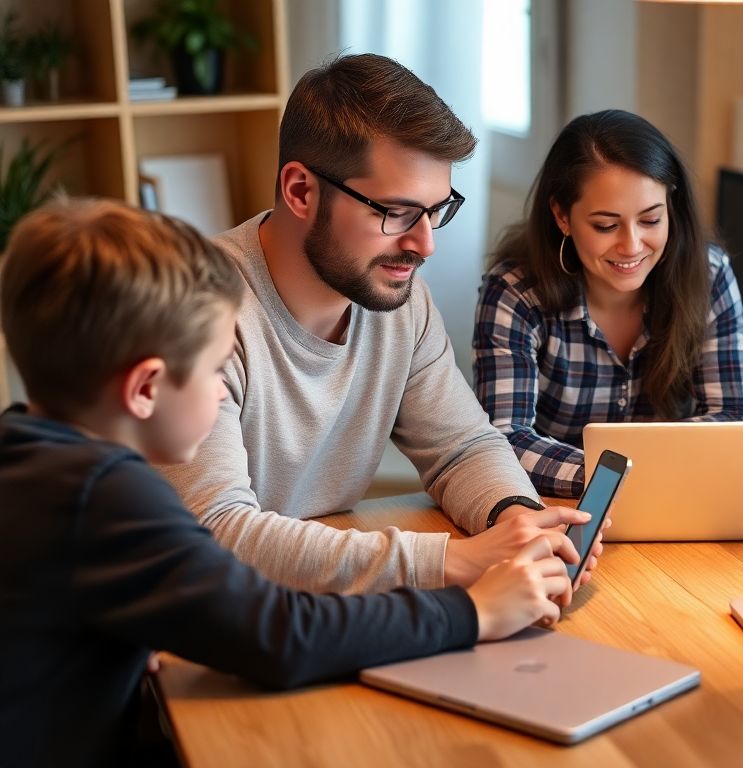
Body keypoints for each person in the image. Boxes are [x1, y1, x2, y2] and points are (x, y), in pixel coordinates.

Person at [0, 199, 575, 767]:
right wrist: (473, 611)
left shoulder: (30, 456)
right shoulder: (108, 496)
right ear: (146, 388)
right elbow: (281, 634)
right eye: (214, 370)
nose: (224, 392)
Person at [159, 53, 598, 594]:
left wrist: (515, 520)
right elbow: (218, 532)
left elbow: (461, 447)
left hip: (311, 607)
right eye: (395, 212)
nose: (424, 244)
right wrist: (448, 562)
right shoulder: (193, 311)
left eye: (437, 210)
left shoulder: (397, 299)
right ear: (300, 191)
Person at [474, 110, 743, 497]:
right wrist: (620, 477)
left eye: (651, 220)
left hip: (671, 502)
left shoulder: (708, 274)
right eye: (606, 225)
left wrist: (641, 477)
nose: (632, 245)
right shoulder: (515, 294)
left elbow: (736, 418)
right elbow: (503, 439)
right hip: (560, 510)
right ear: (562, 216)